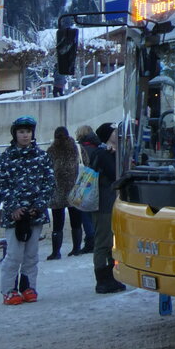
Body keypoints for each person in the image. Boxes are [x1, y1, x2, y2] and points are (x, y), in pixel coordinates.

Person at [0, 115, 56, 304]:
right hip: (14, 215)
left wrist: (38, 206)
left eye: (28, 132)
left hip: (35, 214)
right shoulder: (6, 158)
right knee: (14, 254)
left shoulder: (42, 156)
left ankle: (28, 287)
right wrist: (14, 207)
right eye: (21, 132)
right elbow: (0, 184)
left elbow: (49, 182)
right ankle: (9, 290)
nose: (25, 135)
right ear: (15, 134)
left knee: (31, 255)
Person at [91, 122, 126, 294]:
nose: (117, 133)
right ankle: (102, 279)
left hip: (110, 202)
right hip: (104, 203)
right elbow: (115, 174)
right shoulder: (103, 153)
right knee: (103, 241)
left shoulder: (108, 153)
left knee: (110, 240)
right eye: (114, 131)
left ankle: (111, 276)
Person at [46, 126, 88, 259]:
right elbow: (83, 164)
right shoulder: (75, 147)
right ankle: (76, 248)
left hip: (57, 191)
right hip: (74, 189)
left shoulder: (51, 150)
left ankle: (56, 252)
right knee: (76, 221)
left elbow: (47, 170)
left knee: (58, 223)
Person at [73, 125, 98, 253]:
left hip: (85, 183)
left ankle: (90, 240)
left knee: (84, 212)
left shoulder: (80, 148)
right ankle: (96, 238)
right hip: (98, 184)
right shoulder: (99, 146)